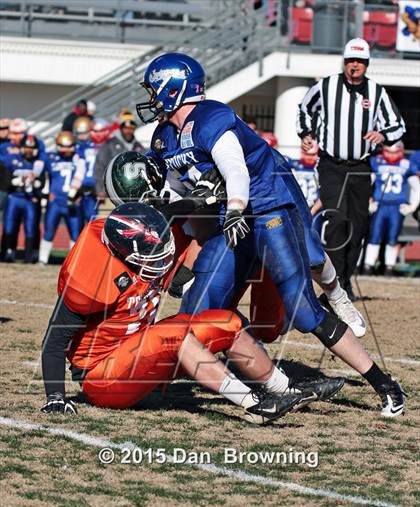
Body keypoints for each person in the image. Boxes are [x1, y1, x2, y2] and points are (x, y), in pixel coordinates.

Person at [134, 51, 406, 417]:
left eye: (155, 89)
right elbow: (177, 188)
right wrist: (160, 203)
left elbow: (235, 169)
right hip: (232, 217)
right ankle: (276, 386)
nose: (151, 98)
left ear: (173, 87)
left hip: (266, 205)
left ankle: (385, 384)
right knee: (200, 308)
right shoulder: (165, 136)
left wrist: (232, 208)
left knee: (302, 304)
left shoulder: (210, 117)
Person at [40, 201, 331, 423]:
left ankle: (284, 389)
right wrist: (55, 396)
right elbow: (53, 341)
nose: (163, 258)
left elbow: (184, 273)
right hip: (102, 376)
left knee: (227, 322)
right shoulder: (94, 274)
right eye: (152, 255)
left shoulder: (146, 251)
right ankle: (254, 404)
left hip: (138, 353)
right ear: (124, 254)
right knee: (176, 336)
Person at [297, 38, 406, 300]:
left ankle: (344, 282)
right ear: (344, 62)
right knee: (337, 220)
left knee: (358, 226)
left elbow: (398, 125)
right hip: (332, 164)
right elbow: (304, 108)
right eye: (350, 61)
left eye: (359, 61)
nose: (354, 66)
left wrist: (382, 135)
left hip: (360, 166)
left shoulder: (377, 92)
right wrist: (305, 133)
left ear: (366, 64)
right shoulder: (326, 85)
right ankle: (332, 287)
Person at [364, 142, 420, 275]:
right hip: (379, 204)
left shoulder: (406, 165)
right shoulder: (376, 161)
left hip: (396, 206)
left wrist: (412, 206)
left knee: (392, 238)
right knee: (374, 236)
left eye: (395, 152)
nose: (392, 155)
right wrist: (368, 200)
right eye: (389, 152)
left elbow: (416, 187)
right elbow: (365, 183)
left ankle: (389, 267)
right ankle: (367, 266)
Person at [38, 132, 85, 265]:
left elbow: (80, 177)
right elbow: (46, 176)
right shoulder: (51, 157)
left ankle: (73, 263)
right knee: (49, 230)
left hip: (72, 202)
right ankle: (42, 260)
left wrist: (74, 193)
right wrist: (46, 193)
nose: (67, 150)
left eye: (70, 146)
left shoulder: (78, 157)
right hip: (56, 202)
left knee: (75, 234)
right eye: (64, 147)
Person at [1, 135, 45, 263]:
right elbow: (6, 180)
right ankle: (8, 252)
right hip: (14, 196)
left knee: (31, 226)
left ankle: (29, 256)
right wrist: (20, 180)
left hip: (30, 199)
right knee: (9, 225)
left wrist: (35, 183)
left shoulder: (38, 163)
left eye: (31, 148)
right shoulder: (12, 160)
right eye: (26, 147)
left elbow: (42, 182)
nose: (28, 151)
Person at [94, 111, 144, 198]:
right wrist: (100, 188)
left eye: (131, 128)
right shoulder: (109, 145)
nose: (128, 131)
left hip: (132, 193)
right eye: (126, 128)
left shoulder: (139, 147)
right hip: (110, 192)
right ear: (121, 128)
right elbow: (99, 167)